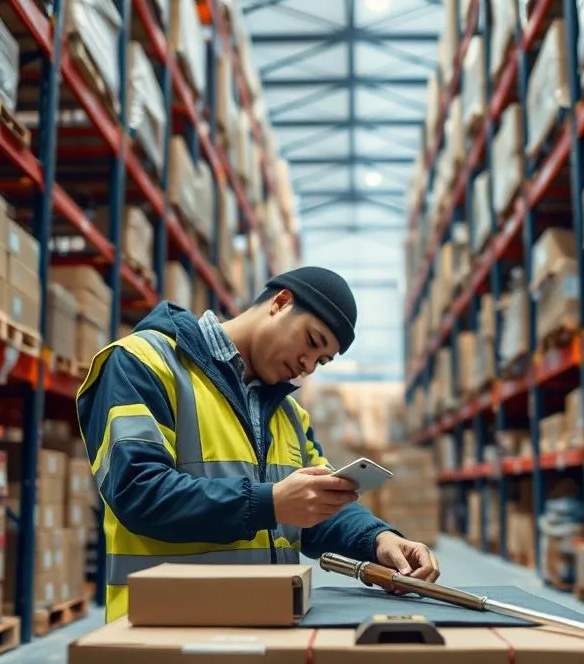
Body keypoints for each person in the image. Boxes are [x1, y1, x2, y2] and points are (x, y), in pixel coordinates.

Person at [76, 265, 441, 623]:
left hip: (265, 622)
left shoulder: (291, 416)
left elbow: (318, 507)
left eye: (321, 360)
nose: (308, 365)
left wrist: (377, 539)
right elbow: (137, 491)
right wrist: (269, 503)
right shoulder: (145, 362)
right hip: (162, 627)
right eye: (312, 342)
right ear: (280, 303)